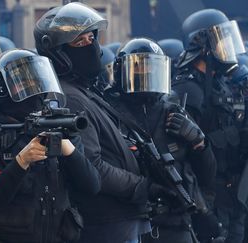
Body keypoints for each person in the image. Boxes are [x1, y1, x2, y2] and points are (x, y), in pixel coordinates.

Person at [34, 3, 162, 243]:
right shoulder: (69, 96)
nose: (91, 46)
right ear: (58, 52)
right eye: (79, 41)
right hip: (105, 222)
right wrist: (141, 187)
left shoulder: (84, 91)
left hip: (119, 218)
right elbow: (94, 165)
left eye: (92, 37)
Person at [0, 49, 101, 243]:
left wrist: (69, 151)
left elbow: (92, 186)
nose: (34, 90)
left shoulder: (60, 133)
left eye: (37, 82)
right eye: (24, 84)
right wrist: (21, 162)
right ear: (3, 90)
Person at [110, 38, 216, 243]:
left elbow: (207, 175)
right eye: (138, 69)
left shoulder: (173, 110)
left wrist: (199, 143)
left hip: (176, 222)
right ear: (120, 72)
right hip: (130, 222)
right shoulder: (110, 112)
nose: (146, 75)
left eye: (152, 69)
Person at [172, 9, 247, 243]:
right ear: (203, 45)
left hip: (233, 191)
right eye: (221, 39)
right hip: (209, 196)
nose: (227, 46)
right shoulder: (187, 90)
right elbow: (183, 159)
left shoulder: (221, 85)